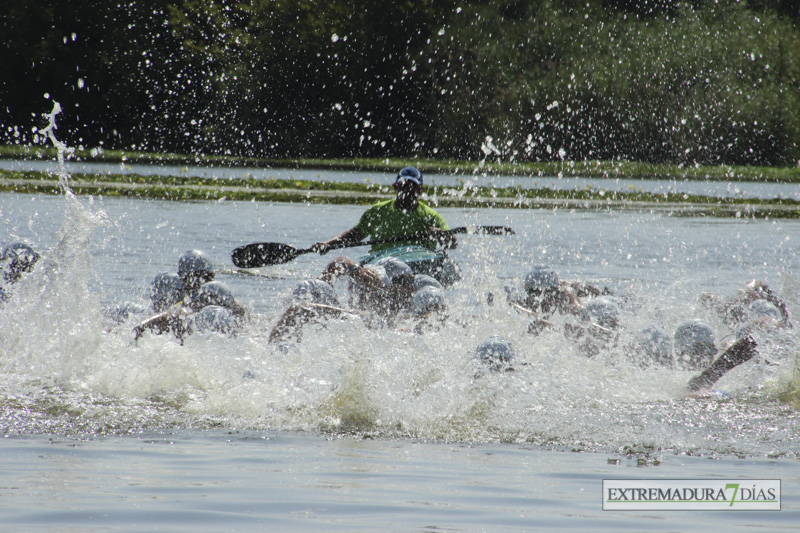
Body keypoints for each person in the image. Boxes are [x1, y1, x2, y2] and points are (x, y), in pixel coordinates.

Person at [312, 167, 457, 254]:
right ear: (395, 187)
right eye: (403, 186)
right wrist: (328, 244)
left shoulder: (431, 216)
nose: (407, 191)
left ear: (421, 190)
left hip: (418, 266)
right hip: (382, 265)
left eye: (412, 187)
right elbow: (354, 235)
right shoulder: (377, 212)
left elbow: (452, 244)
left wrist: (440, 234)